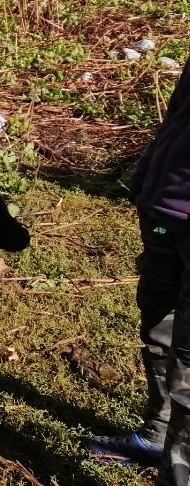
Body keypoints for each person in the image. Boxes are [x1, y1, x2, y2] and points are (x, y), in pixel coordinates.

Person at [84, 65, 190, 484]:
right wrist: (148, 176)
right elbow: (179, 112)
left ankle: (179, 473)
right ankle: (158, 435)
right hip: (166, 208)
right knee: (159, 326)